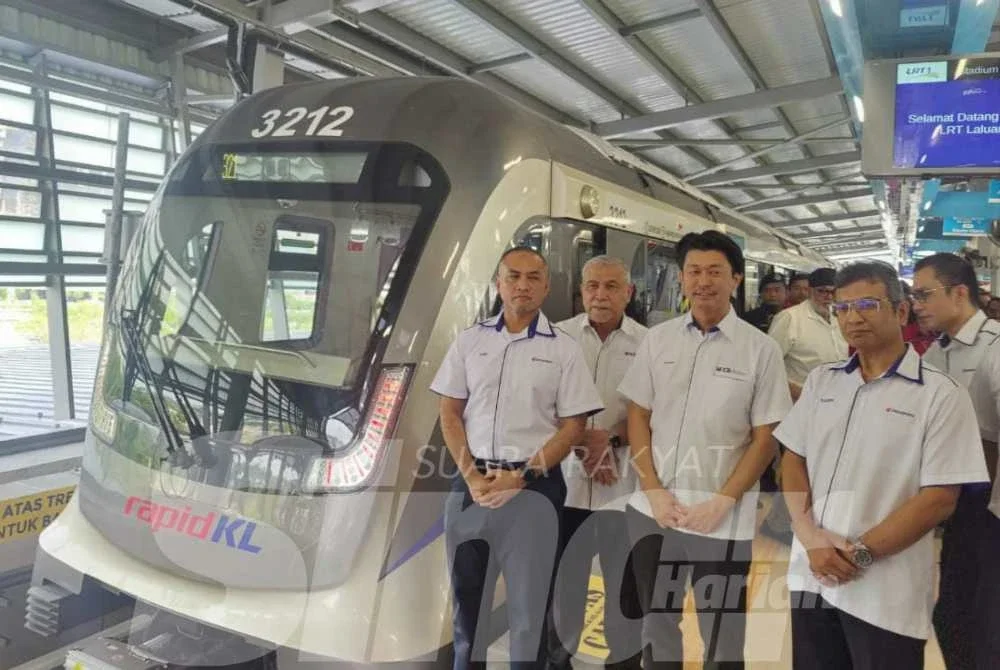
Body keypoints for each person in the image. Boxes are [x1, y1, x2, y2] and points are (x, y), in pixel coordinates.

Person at [774, 261, 988, 670]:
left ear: (901, 311)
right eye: (842, 308)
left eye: (867, 305)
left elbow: (940, 498)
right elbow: (793, 457)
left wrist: (859, 557)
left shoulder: (940, 395)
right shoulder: (824, 382)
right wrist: (810, 538)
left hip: (884, 592)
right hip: (811, 575)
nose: (853, 318)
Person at [618, 230, 792, 670]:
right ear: (682, 278)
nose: (703, 281)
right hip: (654, 511)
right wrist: (652, 489)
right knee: (657, 623)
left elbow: (765, 437)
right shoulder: (658, 341)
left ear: (735, 278)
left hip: (723, 520)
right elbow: (638, 415)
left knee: (722, 632)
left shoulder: (761, 350)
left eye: (715, 271)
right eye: (694, 271)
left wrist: (723, 501)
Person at [431, 246, 605, 670]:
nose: (522, 285)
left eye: (532, 277)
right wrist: (472, 477)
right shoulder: (470, 341)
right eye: (513, 276)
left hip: (535, 491)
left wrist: (522, 477)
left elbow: (573, 425)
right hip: (471, 486)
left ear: (546, 286)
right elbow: (450, 414)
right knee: (467, 605)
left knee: (530, 612)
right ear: (498, 283)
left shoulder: (563, 349)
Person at [546, 255, 646, 670]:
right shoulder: (555, 338)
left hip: (622, 490)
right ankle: (556, 663)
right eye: (592, 286)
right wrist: (584, 440)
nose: (600, 295)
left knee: (625, 592)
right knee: (561, 588)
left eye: (610, 286)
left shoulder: (650, 345)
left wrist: (613, 439)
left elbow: (654, 411)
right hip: (564, 486)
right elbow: (538, 404)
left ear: (629, 292)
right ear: (581, 290)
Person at [911, 253, 1000, 669]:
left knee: (984, 624)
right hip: (958, 509)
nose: (917, 305)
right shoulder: (936, 354)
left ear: (960, 293)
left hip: (991, 511)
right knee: (952, 616)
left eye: (925, 294)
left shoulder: (994, 349)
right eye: (914, 296)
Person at [768, 267, 848, 401]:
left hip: (838, 399)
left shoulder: (841, 317)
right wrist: (801, 394)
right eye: (822, 291)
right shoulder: (789, 318)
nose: (828, 297)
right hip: (800, 401)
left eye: (833, 292)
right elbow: (767, 365)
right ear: (810, 291)